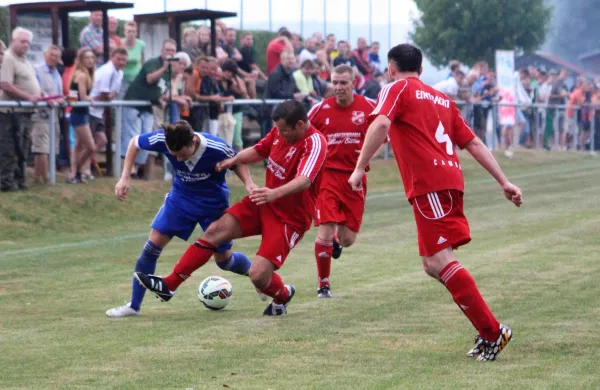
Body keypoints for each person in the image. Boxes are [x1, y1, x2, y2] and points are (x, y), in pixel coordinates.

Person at [348, 44, 522, 361]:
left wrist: (360, 168)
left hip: (430, 184)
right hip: (448, 181)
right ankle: (488, 333)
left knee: (440, 261)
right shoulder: (441, 98)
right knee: (432, 263)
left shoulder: (395, 88)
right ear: (422, 68)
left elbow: (381, 124)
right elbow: (473, 141)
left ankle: (493, 332)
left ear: (390, 68)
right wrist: (503, 180)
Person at [134, 100, 327, 316]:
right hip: (263, 203)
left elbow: (304, 180)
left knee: (258, 275)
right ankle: (170, 285)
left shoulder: (315, 143)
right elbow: (258, 151)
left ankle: (282, 294)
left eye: (284, 130)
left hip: (290, 217)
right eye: (278, 129)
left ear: (300, 125)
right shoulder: (278, 133)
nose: (280, 134)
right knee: (214, 232)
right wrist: (232, 160)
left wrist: (274, 193)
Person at [106, 120, 257, 317]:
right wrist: (125, 176)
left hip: (212, 205)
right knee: (151, 247)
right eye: (174, 155)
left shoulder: (216, 146)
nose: (179, 160)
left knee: (224, 262)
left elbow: (238, 161)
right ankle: (134, 306)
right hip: (180, 200)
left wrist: (249, 184)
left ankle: (259, 277)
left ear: (193, 141)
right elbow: (135, 142)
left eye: (183, 155)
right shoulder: (164, 139)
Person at [307, 65, 376, 298]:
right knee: (324, 230)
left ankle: (337, 241)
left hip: (355, 178)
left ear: (353, 83)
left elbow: (383, 135)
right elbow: (306, 135)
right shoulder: (320, 109)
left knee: (347, 239)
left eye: (343, 83)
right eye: (334, 82)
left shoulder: (369, 108)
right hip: (327, 176)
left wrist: (368, 156)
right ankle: (323, 284)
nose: (338, 87)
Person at [66, 48, 97, 184]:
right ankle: (77, 171)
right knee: (91, 147)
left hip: (81, 112)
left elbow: (72, 96)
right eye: (87, 58)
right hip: (78, 114)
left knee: (78, 146)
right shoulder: (82, 75)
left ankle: (74, 174)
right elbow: (83, 96)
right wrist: (91, 98)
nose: (90, 60)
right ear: (81, 60)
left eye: (92, 57)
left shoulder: (81, 74)